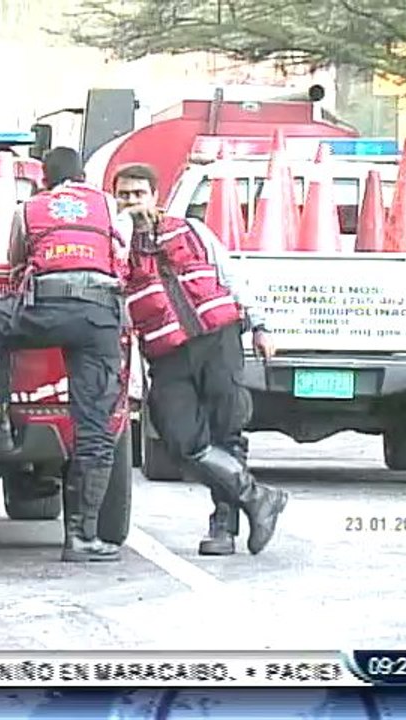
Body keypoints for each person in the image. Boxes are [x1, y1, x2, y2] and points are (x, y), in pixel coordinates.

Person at [0, 147, 132, 563]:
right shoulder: (107, 205)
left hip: (46, 309)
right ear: (83, 177)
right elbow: (122, 256)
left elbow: (15, 261)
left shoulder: (31, 209)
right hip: (98, 316)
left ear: (46, 178)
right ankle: (81, 538)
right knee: (95, 427)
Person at [113, 163, 287, 556]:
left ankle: (223, 529)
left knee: (227, 431)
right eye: (123, 195)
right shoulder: (116, 248)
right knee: (180, 437)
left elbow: (230, 275)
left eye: (138, 194)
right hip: (168, 354)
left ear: (154, 196)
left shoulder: (190, 230)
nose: (131, 202)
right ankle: (259, 497)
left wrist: (261, 325)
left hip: (218, 339)